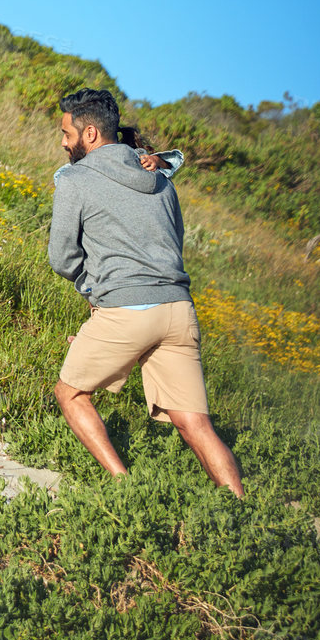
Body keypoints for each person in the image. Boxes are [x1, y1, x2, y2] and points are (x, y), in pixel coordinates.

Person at [48, 88, 243, 495]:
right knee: (195, 423)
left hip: (124, 310)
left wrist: (97, 292)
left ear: (89, 135)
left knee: (70, 393)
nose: (63, 143)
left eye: (67, 133)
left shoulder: (75, 179)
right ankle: (242, 509)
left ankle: (123, 487)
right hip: (179, 310)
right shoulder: (160, 181)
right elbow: (175, 242)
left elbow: (63, 258)